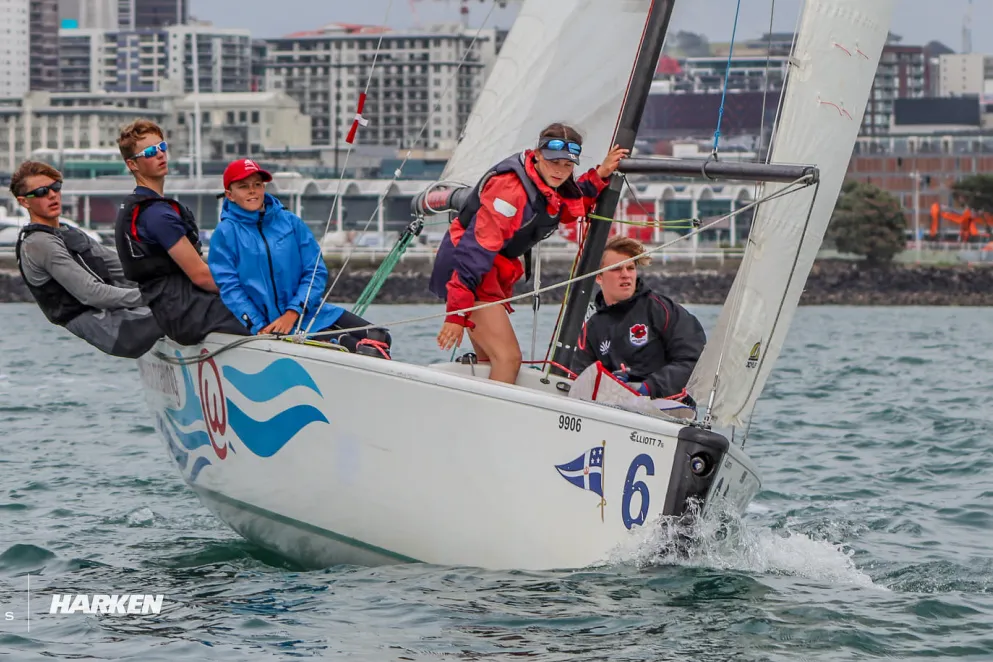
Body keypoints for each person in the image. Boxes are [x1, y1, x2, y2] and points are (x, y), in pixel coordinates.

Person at [430, 123, 628, 383]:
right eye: (554, 162)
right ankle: (494, 422)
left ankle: (480, 416)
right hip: (467, 273)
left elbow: (571, 202)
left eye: (567, 166)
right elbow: (474, 253)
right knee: (508, 358)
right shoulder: (509, 190)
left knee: (489, 360)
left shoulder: (549, 184)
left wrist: (600, 175)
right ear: (537, 155)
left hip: (487, 272)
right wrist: (456, 314)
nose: (560, 171)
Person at [207, 158, 391, 358]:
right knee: (361, 349)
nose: (252, 191)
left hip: (308, 313)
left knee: (380, 337)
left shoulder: (290, 222)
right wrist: (259, 327)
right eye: (243, 186)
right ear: (229, 195)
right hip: (271, 325)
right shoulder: (225, 233)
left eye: (257, 185)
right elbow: (230, 289)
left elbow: (315, 271)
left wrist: (293, 312)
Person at [113, 119, 251, 345]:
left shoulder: (140, 208)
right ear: (133, 165)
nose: (160, 155)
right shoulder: (157, 215)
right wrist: (256, 287)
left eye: (162, 147)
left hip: (173, 311)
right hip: (187, 313)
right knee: (267, 311)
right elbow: (201, 276)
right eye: (149, 152)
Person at [10, 161, 163, 358]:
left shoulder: (69, 232)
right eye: (41, 192)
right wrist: (157, 295)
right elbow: (92, 294)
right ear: (24, 202)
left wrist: (175, 277)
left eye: (55, 187)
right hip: (116, 331)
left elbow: (125, 267)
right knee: (188, 306)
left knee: (192, 296)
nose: (51, 195)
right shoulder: (38, 244)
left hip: (127, 315)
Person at [571, 236, 706, 402]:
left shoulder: (660, 310)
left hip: (667, 408)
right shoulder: (592, 328)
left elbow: (695, 359)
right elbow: (579, 378)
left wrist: (647, 388)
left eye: (630, 268)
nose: (625, 275)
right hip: (616, 410)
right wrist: (609, 384)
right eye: (616, 269)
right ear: (599, 277)